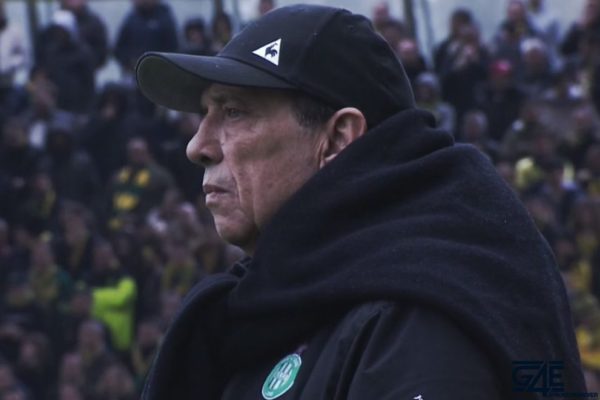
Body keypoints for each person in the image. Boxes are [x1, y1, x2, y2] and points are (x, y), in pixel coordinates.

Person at [136, 4, 585, 399]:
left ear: (337, 139)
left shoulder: (416, 321)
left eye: (233, 112)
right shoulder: (271, 312)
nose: (197, 146)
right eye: (205, 114)